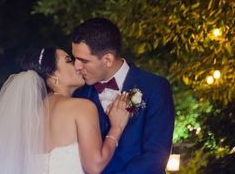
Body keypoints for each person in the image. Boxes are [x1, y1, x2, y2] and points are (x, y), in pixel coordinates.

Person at [0, 47, 131, 174]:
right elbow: (94, 165)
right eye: (69, 60)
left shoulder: (28, 117)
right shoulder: (82, 107)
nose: (78, 65)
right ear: (52, 75)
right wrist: (116, 128)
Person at [72, 18, 175, 174]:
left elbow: (155, 156)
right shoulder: (79, 95)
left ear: (107, 59)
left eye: (83, 61)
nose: (76, 67)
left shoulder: (154, 87)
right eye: (74, 58)